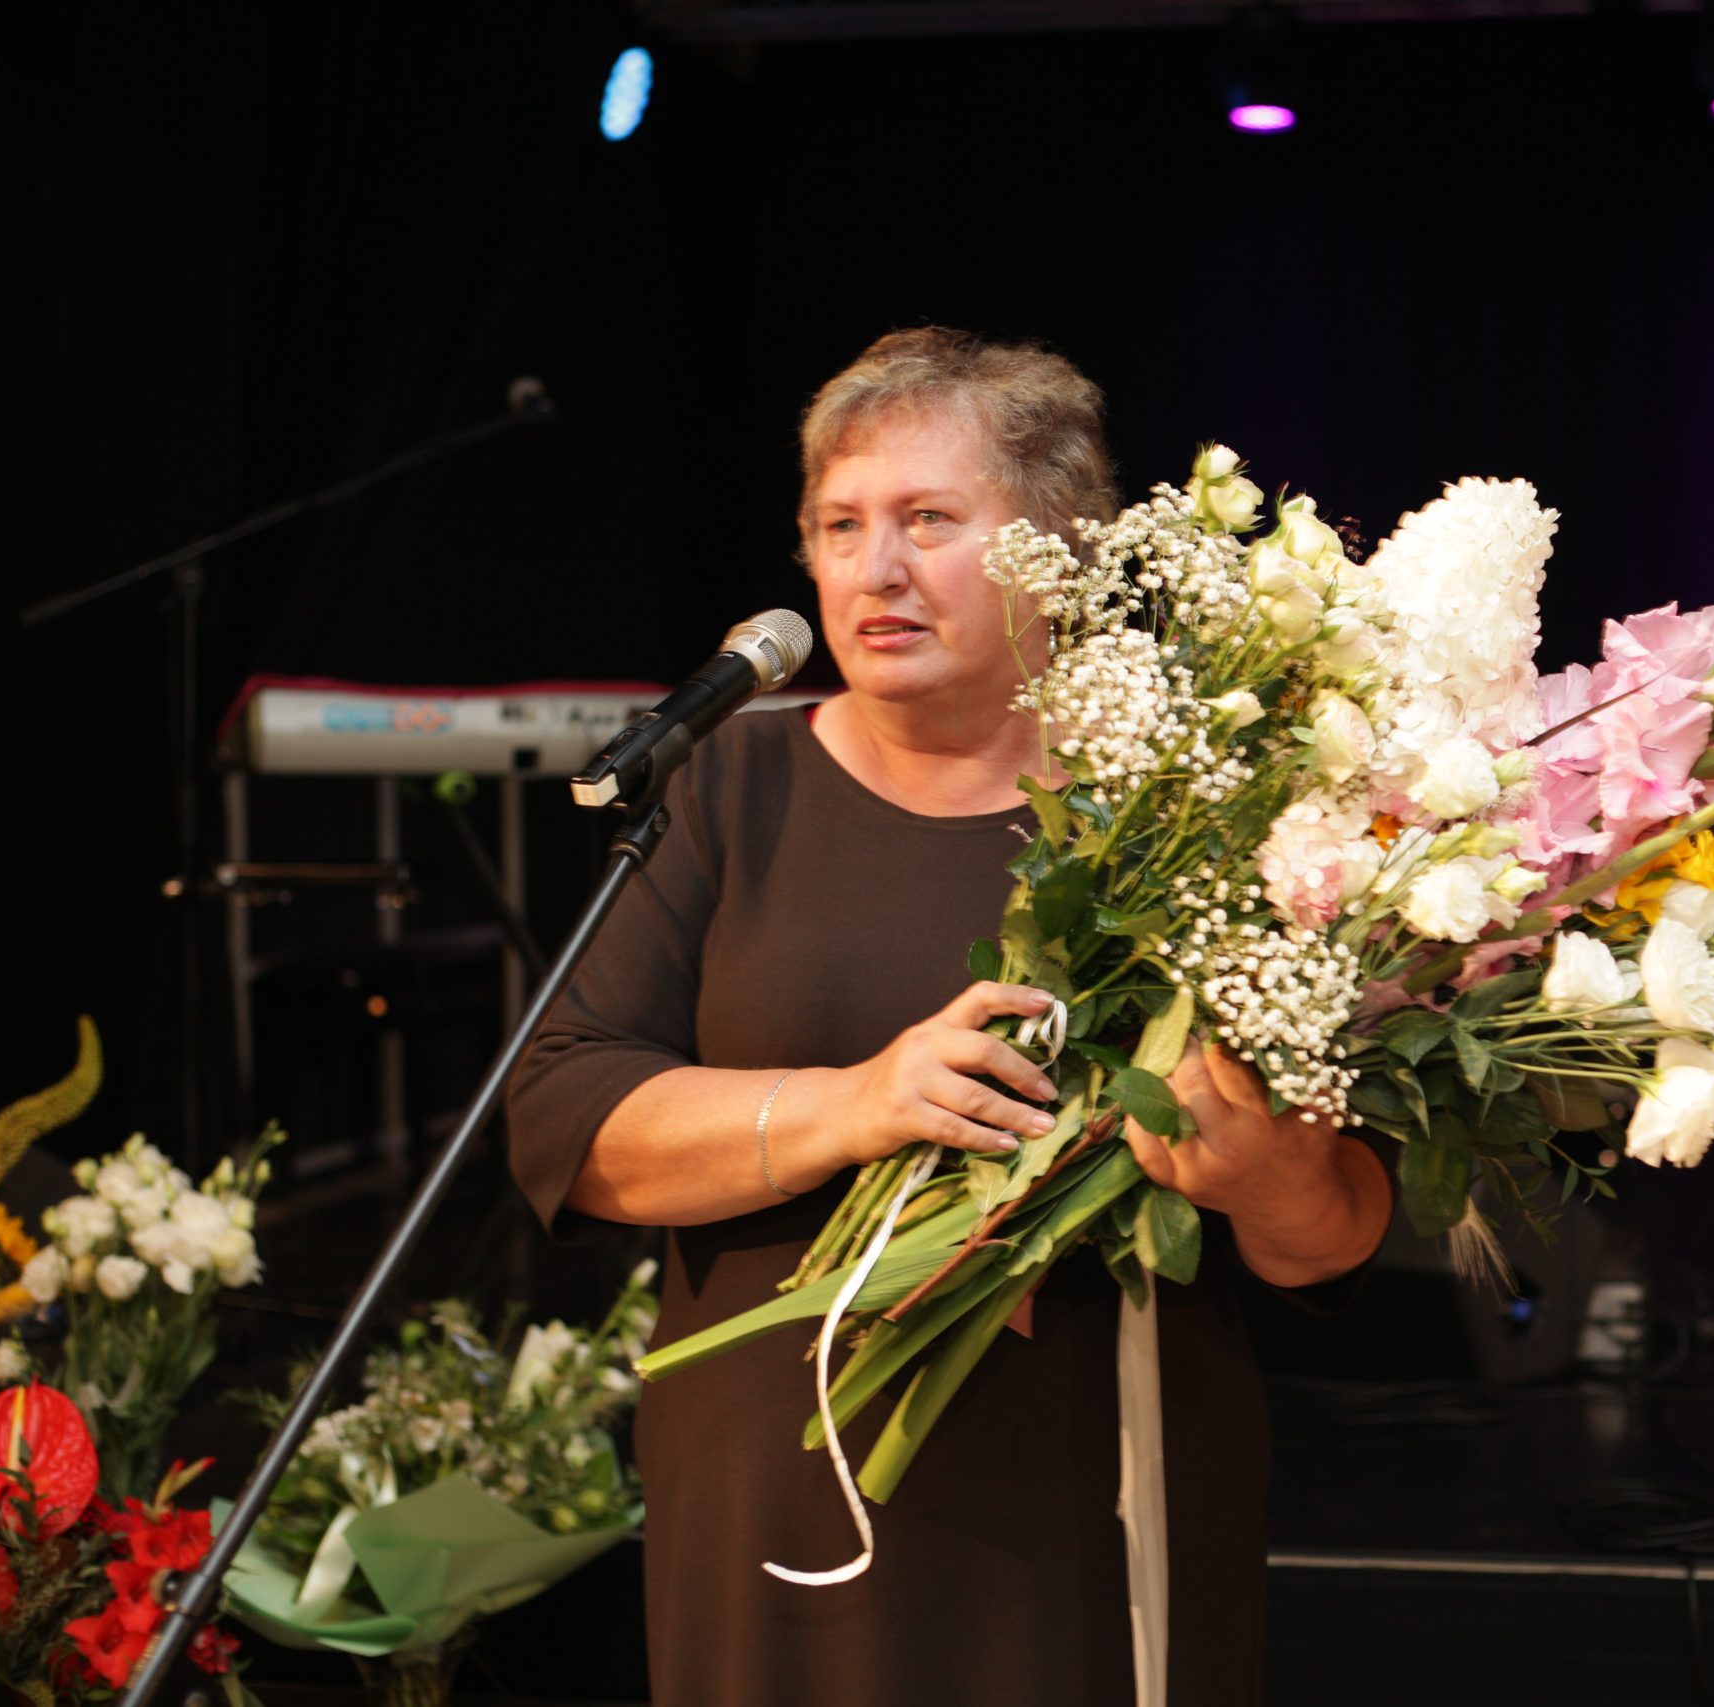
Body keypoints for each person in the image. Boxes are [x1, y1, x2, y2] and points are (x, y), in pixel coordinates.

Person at [506, 327, 1391, 1707]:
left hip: (1091, 1511)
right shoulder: (723, 784)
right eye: (839, 525)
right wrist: (851, 1104)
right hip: (775, 1497)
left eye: (928, 519)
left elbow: (1335, 1237)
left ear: (1060, 552)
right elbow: (566, 1122)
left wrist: (1261, 1170)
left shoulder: (1194, 816)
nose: (876, 569)